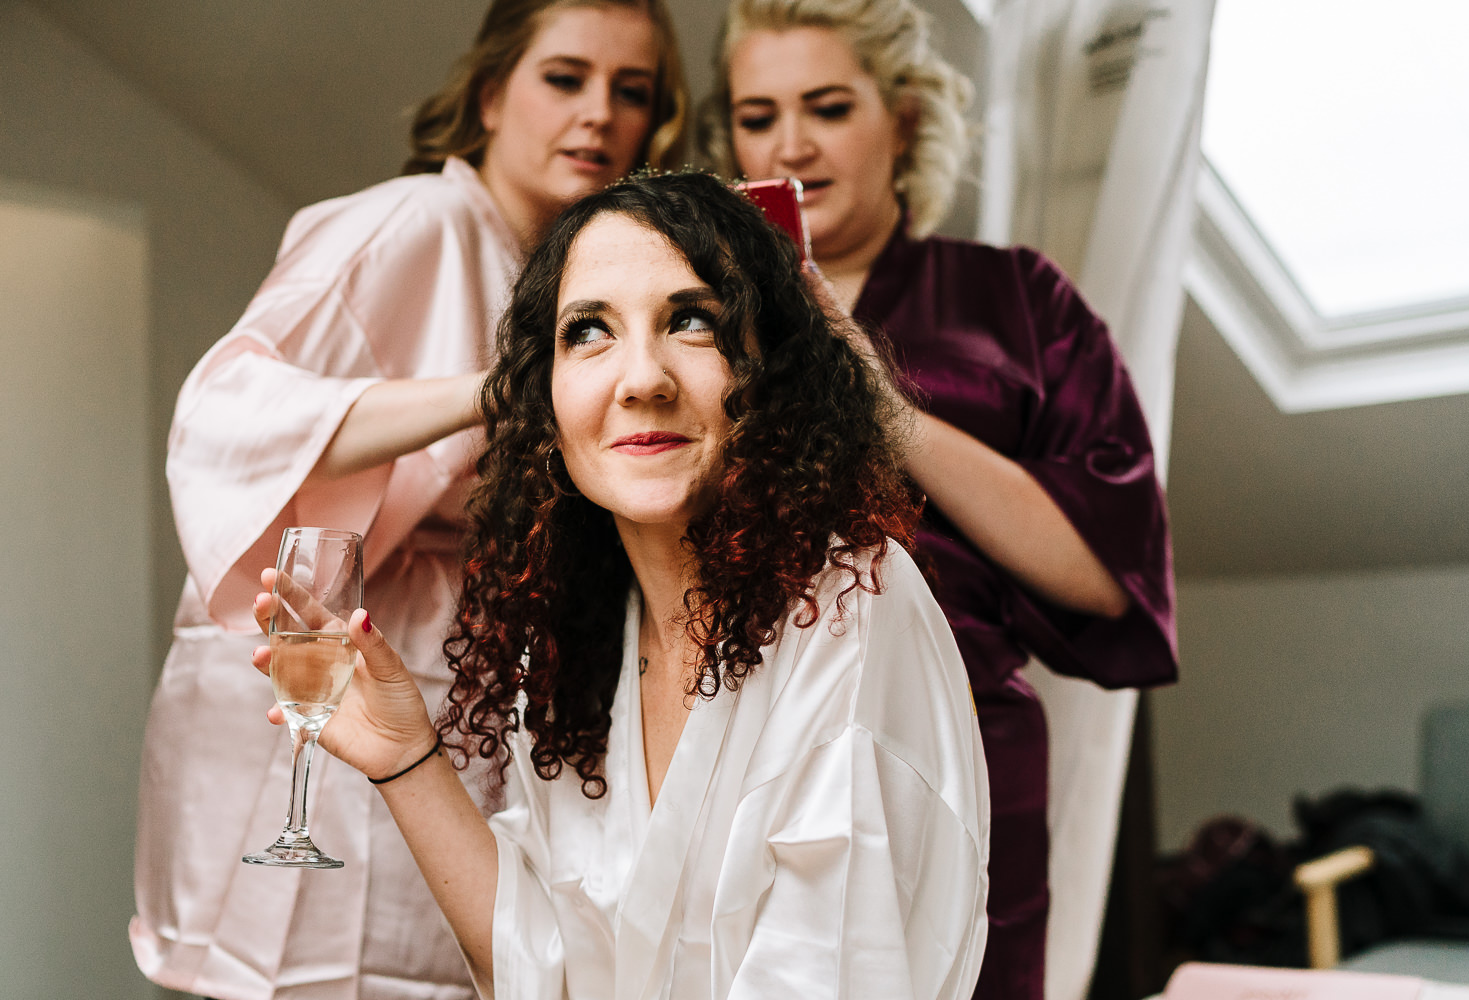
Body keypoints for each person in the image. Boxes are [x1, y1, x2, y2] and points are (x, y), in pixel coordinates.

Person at [248, 171, 991, 999]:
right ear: (544, 399)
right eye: (589, 332)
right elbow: (543, 970)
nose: (642, 378)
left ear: (774, 370)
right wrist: (406, 758)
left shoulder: (853, 605)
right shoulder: (583, 643)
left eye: (694, 321)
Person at [130, 3, 687, 998]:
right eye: (565, 78)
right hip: (329, 703)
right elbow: (226, 412)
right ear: (490, 94)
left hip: (455, 703)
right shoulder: (414, 223)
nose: (599, 114)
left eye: (631, 89)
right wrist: (487, 396)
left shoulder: (569, 277)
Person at [700, 1, 1179, 996]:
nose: (791, 143)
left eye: (828, 106)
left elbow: (1109, 572)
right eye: (758, 114)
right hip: (731, 759)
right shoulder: (692, 315)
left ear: (904, 119)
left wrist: (886, 410)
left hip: (966, 761)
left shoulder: (1017, 303)